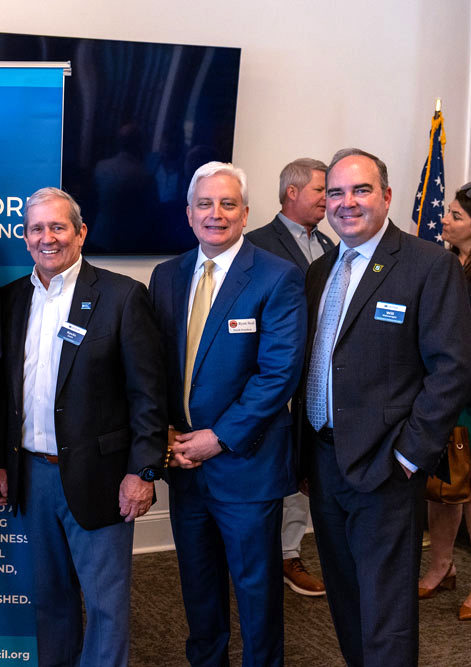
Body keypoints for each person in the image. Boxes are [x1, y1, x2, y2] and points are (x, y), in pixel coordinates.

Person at [299, 148, 471, 666]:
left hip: (387, 466)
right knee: (346, 597)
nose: (346, 203)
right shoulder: (320, 271)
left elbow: (454, 371)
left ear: (387, 196)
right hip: (324, 461)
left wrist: (408, 457)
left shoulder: (428, 265)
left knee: (386, 608)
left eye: (361, 190)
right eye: (335, 192)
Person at [0, 187, 166, 667]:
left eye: (58, 227)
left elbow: (147, 395)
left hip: (102, 477)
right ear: (24, 238)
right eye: (36, 229)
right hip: (33, 477)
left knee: (106, 608)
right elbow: (3, 393)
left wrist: (143, 472)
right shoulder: (10, 300)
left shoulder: (122, 296)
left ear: (80, 233)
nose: (48, 238)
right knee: (50, 602)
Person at [149, 161, 307, 666]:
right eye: (204, 204)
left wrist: (218, 437)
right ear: (189, 214)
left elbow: (277, 374)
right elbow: (155, 364)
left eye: (227, 204)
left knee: (256, 590)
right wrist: (167, 432)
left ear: (245, 213)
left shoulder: (277, 276)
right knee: (198, 586)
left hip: (245, 463)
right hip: (185, 464)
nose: (215, 214)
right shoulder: (167, 275)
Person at [246, 157, 333, 597]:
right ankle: (263, 555)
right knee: (275, 470)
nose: (329, 198)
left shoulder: (334, 246)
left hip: (318, 384)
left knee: (302, 470)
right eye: (322, 189)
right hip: (273, 383)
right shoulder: (255, 245)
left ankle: (289, 553)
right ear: (292, 192)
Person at [418, 182, 471, 620]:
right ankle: (441, 566)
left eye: (454, 216)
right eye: (446, 212)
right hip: (439, 394)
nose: (444, 221)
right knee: (441, 487)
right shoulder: (444, 263)